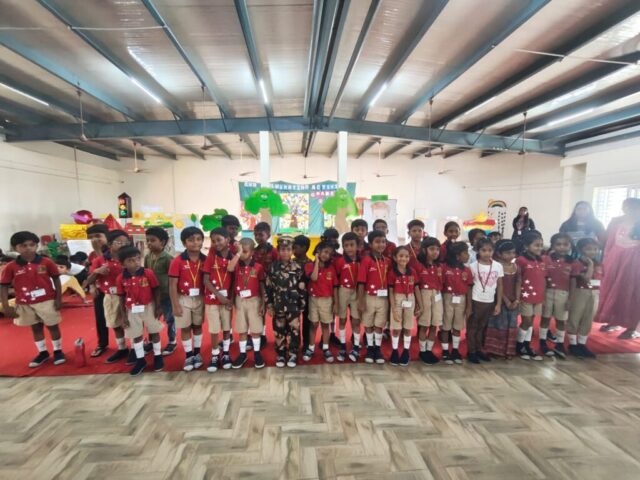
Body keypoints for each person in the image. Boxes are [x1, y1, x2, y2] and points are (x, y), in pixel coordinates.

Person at [0, 231, 65, 368]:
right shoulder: (11, 266)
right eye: (23, 245)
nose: (28, 248)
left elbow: (56, 279)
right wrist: (5, 306)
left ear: (37, 245)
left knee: (52, 326)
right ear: (15, 248)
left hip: (47, 300)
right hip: (25, 303)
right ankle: (43, 352)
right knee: (35, 328)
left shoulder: (46, 262)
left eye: (32, 245)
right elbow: (4, 285)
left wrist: (59, 298)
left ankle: (58, 350)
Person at [595, 197, 640, 339]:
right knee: (612, 290)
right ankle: (613, 321)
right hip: (615, 259)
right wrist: (606, 259)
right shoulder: (617, 222)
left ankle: (631, 327)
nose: (628, 210)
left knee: (631, 292)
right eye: (626, 207)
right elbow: (609, 242)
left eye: (632, 207)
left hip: (634, 262)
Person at [116, 247, 164, 376]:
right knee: (136, 335)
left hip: (149, 306)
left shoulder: (148, 273)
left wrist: (158, 306)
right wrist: (123, 316)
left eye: (138, 259)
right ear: (123, 264)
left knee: (154, 331)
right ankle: (140, 360)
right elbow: (121, 297)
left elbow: (156, 289)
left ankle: (158, 356)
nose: (136, 262)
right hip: (131, 309)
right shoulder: (121, 278)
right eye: (130, 260)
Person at [86, 229, 129, 364]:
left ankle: (136, 348)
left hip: (129, 295)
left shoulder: (129, 258)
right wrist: (97, 272)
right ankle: (122, 348)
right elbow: (89, 280)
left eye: (125, 243)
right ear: (110, 244)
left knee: (132, 323)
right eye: (119, 242)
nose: (123, 245)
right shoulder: (99, 260)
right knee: (115, 323)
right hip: (110, 296)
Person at [168, 226, 206, 372]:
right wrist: (175, 305)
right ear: (184, 243)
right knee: (185, 327)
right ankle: (189, 355)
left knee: (197, 326)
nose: (195, 242)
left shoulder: (206, 260)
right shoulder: (177, 261)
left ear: (202, 241)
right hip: (183, 298)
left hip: (200, 298)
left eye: (198, 239)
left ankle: (197, 353)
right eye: (191, 240)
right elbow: (172, 284)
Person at [266, 235, 305, 368]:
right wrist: (269, 305)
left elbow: (302, 287)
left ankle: (293, 353)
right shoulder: (272, 267)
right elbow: (268, 287)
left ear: (292, 251)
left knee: (294, 330)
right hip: (278, 305)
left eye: (288, 249)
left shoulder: (298, 267)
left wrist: (302, 304)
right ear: (278, 250)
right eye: (282, 249)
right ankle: (281, 353)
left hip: (293, 306)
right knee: (279, 330)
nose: (285, 252)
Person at [202, 228, 235, 372]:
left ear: (227, 240)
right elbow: (206, 280)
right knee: (214, 329)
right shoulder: (211, 257)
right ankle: (215, 354)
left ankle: (226, 353)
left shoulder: (233, 258)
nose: (216, 243)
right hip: (212, 300)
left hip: (227, 301)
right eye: (213, 241)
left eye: (219, 240)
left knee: (227, 328)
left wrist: (230, 298)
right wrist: (218, 295)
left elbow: (235, 281)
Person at [231, 237, 266, 369]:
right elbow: (230, 270)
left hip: (254, 300)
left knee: (255, 330)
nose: (241, 254)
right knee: (242, 329)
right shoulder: (235, 265)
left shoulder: (258, 267)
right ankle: (242, 354)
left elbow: (262, 285)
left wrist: (263, 303)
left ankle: (257, 353)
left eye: (244, 251)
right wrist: (232, 300)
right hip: (240, 300)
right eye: (239, 251)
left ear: (252, 252)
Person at [467, 238, 503, 364]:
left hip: (490, 300)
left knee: (482, 327)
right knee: (472, 327)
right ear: (478, 251)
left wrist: (498, 304)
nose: (487, 253)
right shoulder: (472, 266)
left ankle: (478, 349)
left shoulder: (498, 266)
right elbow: (469, 287)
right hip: (476, 300)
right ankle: (471, 351)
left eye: (490, 250)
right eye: (483, 250)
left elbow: (500, 285)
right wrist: (469, 305)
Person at [358, 230, 391, 364]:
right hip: (369, 297)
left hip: (383, 298)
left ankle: (377, 349)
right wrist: (361, 301)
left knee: (379, 324)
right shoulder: (366, 261)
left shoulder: (388, 261)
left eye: (383, 242)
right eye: (377, 242)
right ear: (370, 244)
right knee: (368, 324)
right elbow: (361, 282)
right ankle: (370, 348)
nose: (381, 244)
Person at [540, 233, 574, 358]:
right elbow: (543, 278)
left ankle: (559, 344)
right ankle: (542, 342)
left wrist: (570, 299)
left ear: (570, 246)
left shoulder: (573, 262)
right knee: (545, 318)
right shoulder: (546, 259)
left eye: (565, 244)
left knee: (561, 320)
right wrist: (542, 296)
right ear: (553, 246)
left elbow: (573, 282)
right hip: (548, 292)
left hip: (563, 294)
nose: (562, 247)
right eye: (558, 244)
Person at [303, 241, 338, 363]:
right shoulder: (309, 265)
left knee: (325, 325)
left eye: (329, 254)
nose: (326, 255)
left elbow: (335, 287)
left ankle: (326, 348)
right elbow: (314, 278)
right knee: (313, 324)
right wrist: (317, 262)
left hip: (327, 300)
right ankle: (311, 348)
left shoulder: (331, 269)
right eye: (325, 252)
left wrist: (335, 303)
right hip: (313, 299)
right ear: (318, 251)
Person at [388, 246, 422, 366]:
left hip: (410, 299)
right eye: (401, 256)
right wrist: (393, 309)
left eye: (406, 256)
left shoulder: (412, 271)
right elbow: (390, 292)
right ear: (395, 258)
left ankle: (406, 351)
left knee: (408, 327)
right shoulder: (392, 273)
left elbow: (416, 288)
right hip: (397, 299)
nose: (404, 258)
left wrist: (420, 304)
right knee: (396, 328)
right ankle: (395, 351)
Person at [144, 227, 176, 356]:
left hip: (166, 295)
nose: (149, 243)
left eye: (152, 240)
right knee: (151, 319)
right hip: (151, 295)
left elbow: (173, 278)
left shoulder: (168, 258)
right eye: (147, 240)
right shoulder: (147, 257)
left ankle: (172, 341)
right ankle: (152, 341)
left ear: (162, 242)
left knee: (170, 319)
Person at [485, 240, 519, 358]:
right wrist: (506, 301)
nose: (511, 255)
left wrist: (517, 300)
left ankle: (508, 350)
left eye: (513, 252)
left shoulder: (516, 266)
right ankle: (495, 350)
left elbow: (518, 282)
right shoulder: (496, 267)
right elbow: (498, 285)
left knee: (511, 325)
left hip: (513, 301)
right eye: (508, 253)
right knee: (499, 324)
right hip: (499, 300)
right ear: (499, 254)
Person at [568, 238, 602, 358]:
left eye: (595, 249)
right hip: (580, 292)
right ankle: (573, 344)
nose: (593, 252)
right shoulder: (577, 264)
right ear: (581, 250)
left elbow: (600, 279)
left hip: (594, 292)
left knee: (588, 318)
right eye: (589, 249)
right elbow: (586, 278)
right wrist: (591, 265)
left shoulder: (599, 264)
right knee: (575, 317)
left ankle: (582, 344)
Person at [515, 231, 546, 361]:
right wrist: (517, 297)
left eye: (541, 245)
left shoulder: (541, 260)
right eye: (536, 245)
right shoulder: (521, 260)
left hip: (538, 296)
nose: (539, 248)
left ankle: (527, 345)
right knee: (526, 321)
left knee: (531, 321)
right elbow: (517, 279)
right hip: (525, 296)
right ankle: (519, 344)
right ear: (526, 246)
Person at [441, 242, 473, 365]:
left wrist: (469, 306)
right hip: (447, 297)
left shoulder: (467, 270)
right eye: (465, 253)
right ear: (457, 255)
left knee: (457, 326)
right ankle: (445, 351)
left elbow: (469, 288)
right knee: (446, 326)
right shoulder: (445, 268)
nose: (468, 255)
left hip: (461, 299)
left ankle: (455, 350)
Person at [416, 237, 443, 365]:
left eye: (437, 249)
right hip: (424, 294)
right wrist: (418, 303)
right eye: (432, 249)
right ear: (424, 250)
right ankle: (422, 351)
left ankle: (429, 350)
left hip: (437, 295)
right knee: (424, 325)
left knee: (434, 325)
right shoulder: (418, 265)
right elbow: (416, 285)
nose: (435, 252)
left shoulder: (439, 266)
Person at [334, 232, 360, 362]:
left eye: (352, 245)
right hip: (343, 291)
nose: (349, 248)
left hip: (357, 291)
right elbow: (336, 279)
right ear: (343, 247)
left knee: (356, 320)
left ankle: (356, 346)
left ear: (357, 246)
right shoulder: (340, 261)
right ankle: (343, 345)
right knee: (342, 319)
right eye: (346, 245)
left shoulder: (362, 260)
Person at [85, 223, 110, 357]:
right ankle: (102, 344)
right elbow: (91, 273)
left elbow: (107, 268)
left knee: (121, 319)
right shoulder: (91, 255)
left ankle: (127, 345)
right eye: (91, 238)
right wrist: (92, 286)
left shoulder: (114, 251)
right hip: (100, 290)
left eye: (98, 236)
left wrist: (99, 252)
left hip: (116, 290)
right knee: (100, 318)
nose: (94, 240)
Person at [252, 221, 277, 347]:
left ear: (268, 235)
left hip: (272, 286)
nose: (258, 237)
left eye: (261, 235)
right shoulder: (253, 251)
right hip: (257, 286)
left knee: (274, 311)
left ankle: (279, 335)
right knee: (260, 311)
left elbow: (278, 267)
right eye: (255, 235)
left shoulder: (274, 251)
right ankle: (262, 334)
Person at [293, 235, 312, 351]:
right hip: (293, 297)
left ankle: (306, 344)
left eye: (295, 247)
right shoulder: (291, 263)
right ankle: (295, 343)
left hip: (307, 297)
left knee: (307, 321)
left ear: (304, 248)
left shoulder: (311, 264)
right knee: (294, 322)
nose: (293, 250)